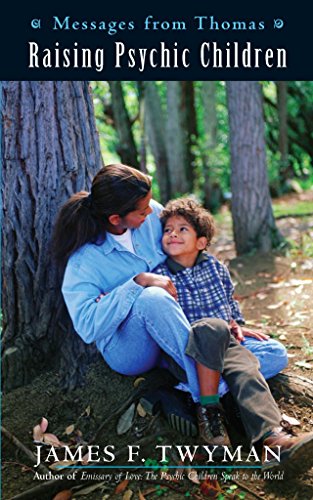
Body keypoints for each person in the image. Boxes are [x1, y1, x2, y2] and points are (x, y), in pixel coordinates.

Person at [53, 164, 311, 474]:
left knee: (271, 353)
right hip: (130, 348)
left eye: (150, 203)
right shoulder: (85, 262)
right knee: (153, 299)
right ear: (115, 219)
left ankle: (268, 439)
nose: (152, 213)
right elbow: (88, 327)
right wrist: (137, 283)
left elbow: (192, 260)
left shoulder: (153, 218)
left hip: (181, 332)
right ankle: (209, 405)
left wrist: (230, 320)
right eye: (142, 209)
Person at [152, 197, 313, 472]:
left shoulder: (215, 268)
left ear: (201, 242)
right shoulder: (160, 275)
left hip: (225, 343)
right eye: (168, 230)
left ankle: (272, 441)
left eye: (182, 229)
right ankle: (211, 414)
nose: (173, 234)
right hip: (190, 350)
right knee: (211, 330)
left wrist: (237, 323)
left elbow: (228, 302)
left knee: (251, 366)